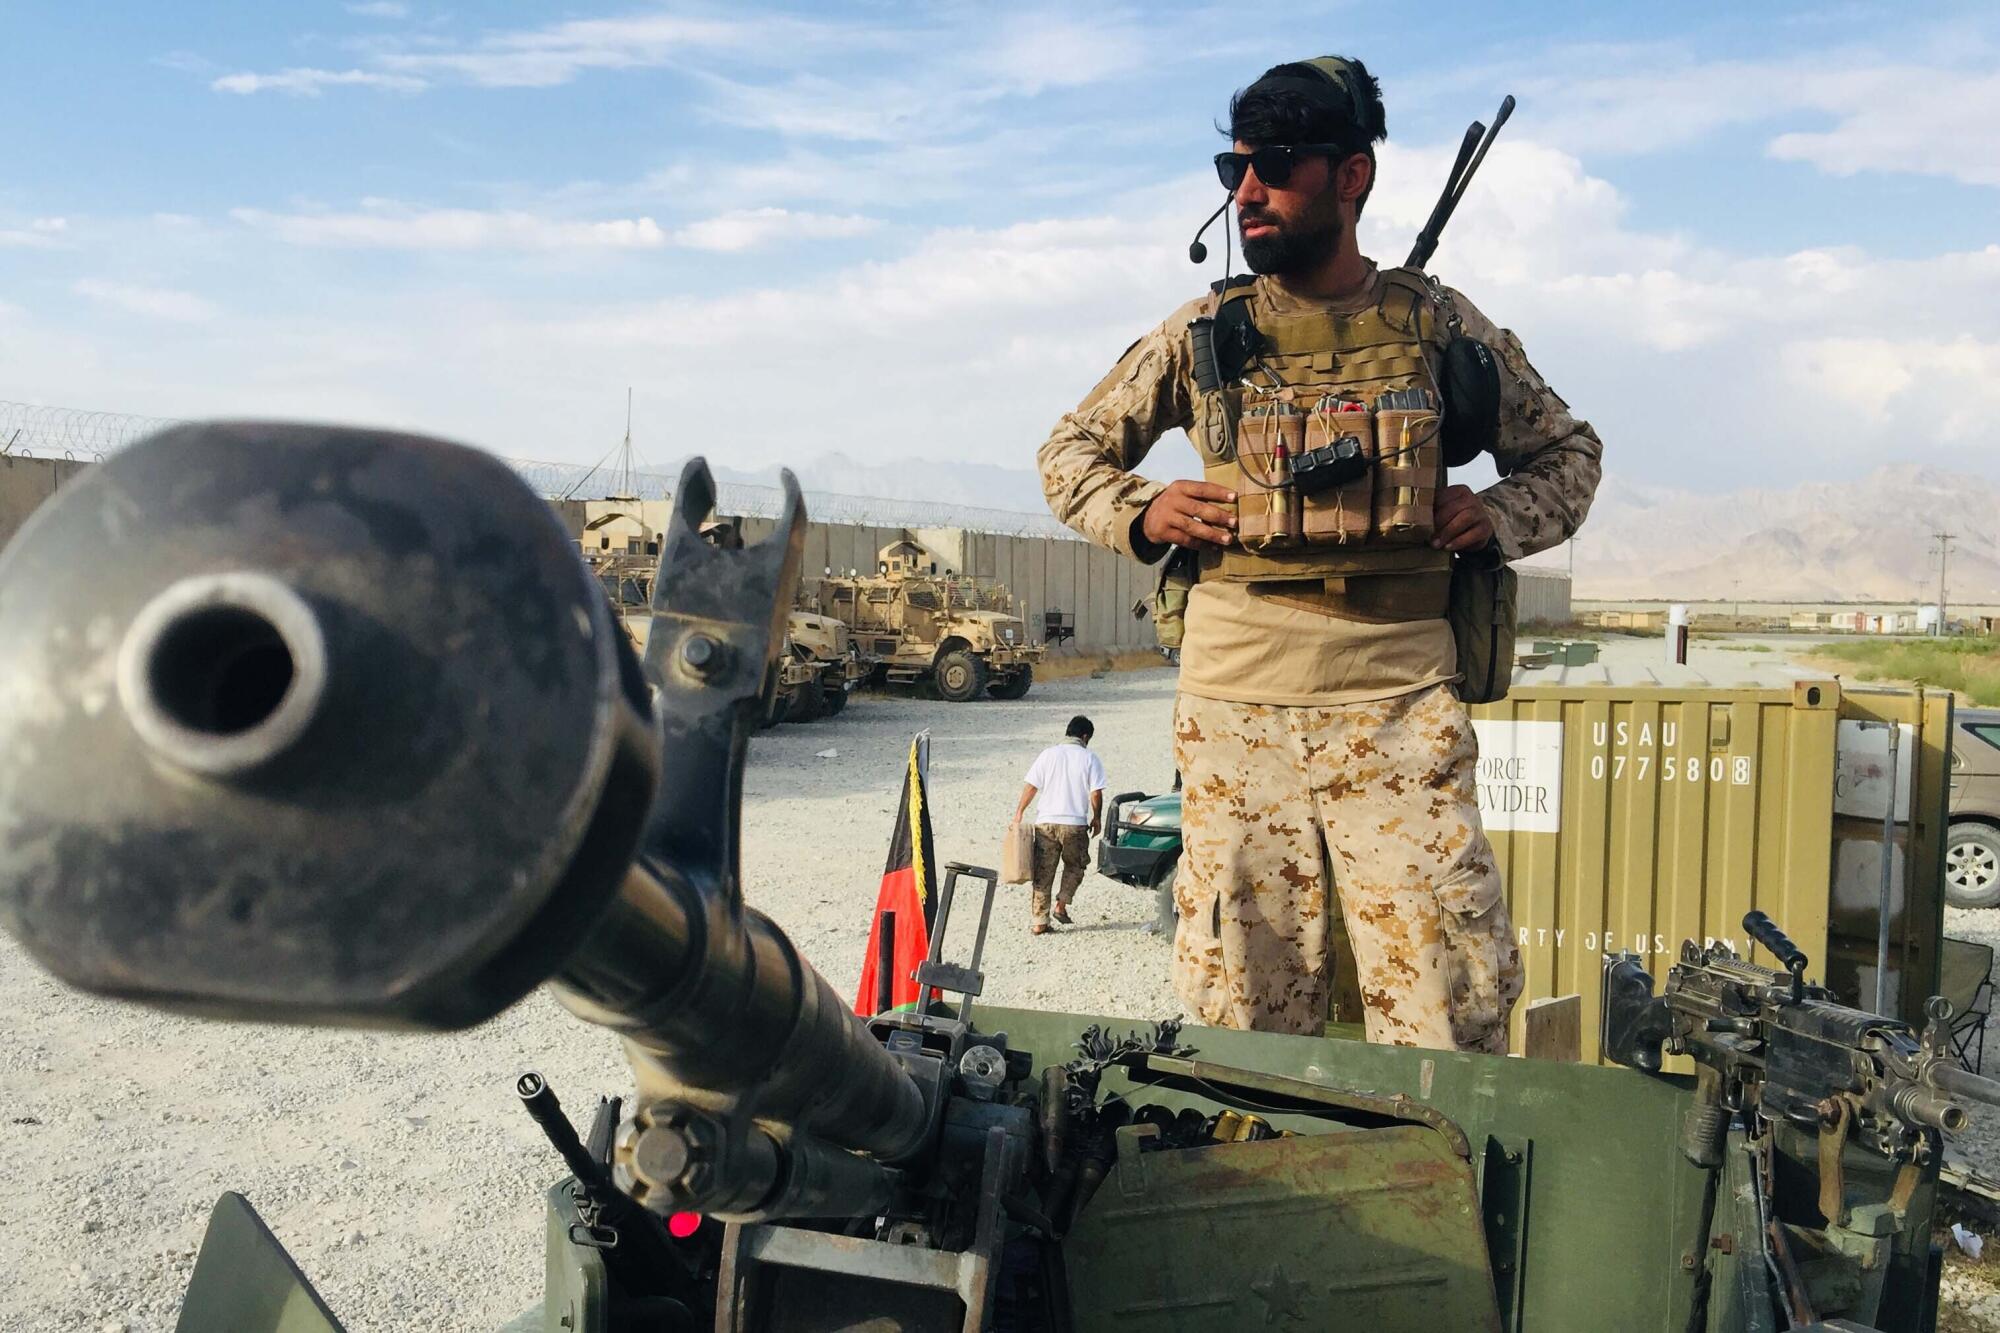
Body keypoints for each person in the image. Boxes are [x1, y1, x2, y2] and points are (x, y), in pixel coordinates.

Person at [1036, 56, 1601, 1052]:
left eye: (1277, 167)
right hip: (1234, 712)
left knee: (1445, 999)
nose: (1246, 192)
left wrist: (1496, 516)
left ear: (1350, 179)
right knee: (1241, 1010)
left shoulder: (1436, 325)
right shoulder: (1205, 331)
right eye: (1234, 168)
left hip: (1398, 705)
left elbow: (1566, 453)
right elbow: (1067, 452)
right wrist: (1144, 507)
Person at [1013, 716, 1108, 935]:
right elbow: (1095, 793)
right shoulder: (1089, 758)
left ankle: (1039, 921)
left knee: (1043, 871)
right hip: (1074, 824)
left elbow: (1031, 786)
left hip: (1046, 822)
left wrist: (1020, 811)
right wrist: (1097, 817)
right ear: (1085, 737)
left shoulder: (1048, 754)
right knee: (1075, 865)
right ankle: (1061, 905)